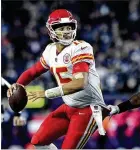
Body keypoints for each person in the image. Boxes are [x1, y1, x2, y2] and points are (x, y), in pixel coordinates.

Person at [7, 9, 108, 149]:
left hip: (88, 109)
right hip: (69, 107)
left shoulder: (81, 48)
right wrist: (17, 84)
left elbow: (80, 83)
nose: (66, 31)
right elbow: (33, 71)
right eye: (61, 28)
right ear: (51, 30)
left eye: (69, 27)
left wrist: (46, 93)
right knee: (38, 141)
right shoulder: (50, 50)